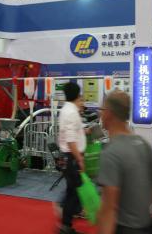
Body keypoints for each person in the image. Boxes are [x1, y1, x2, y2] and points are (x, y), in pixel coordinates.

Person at [97, 91, 152, 234]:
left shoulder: (111, 152)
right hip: (146, 226)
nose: (100, 114)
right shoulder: (143, 144)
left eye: (102, 110)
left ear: (108, 114)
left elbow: (109, 209)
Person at [57, 82, 86, 234]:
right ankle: (65, 225)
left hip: (68, 156)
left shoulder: (66, 109)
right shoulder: (72, 112)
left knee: (72, 190)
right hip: (72, 157)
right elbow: (70, 139)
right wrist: (79, 158)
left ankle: (65, 224)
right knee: (74, 192)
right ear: (77, 94)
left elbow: (71, 133)